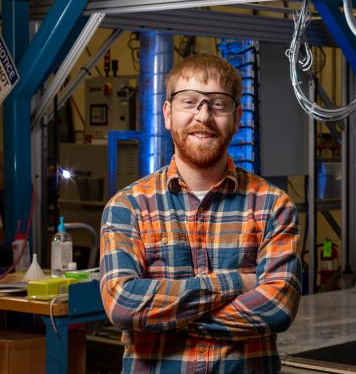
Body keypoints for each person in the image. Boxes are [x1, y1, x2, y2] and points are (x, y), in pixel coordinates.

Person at [100, 53, 301, 373]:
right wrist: (240, 281)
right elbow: (123, 306)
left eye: (217, 104)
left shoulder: (272, 206)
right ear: (167, 114)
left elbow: (277, 308)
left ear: (237, 118)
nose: (203, 116)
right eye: (189, 101)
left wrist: (167, 320)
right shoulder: (128, 207)